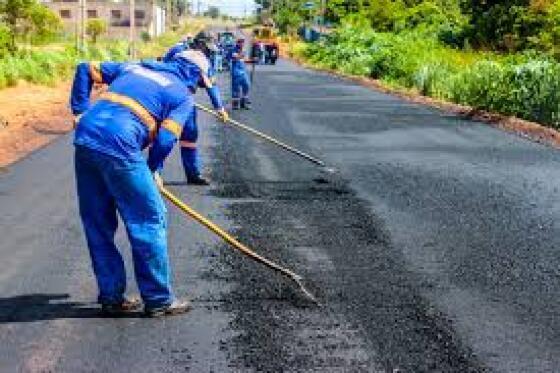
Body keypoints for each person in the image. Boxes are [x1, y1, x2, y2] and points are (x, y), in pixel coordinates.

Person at [70, 52, 214, 317]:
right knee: (149, 219)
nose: (198, 88)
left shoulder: (133, 68)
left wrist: (80, 111)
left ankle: (112, 296)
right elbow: (166, 139)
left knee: (97, 222)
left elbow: (85, 68)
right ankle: (159, 299)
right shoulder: (182, 95)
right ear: (194, 74)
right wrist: (151, 169)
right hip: (121, 144)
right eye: (201, 83)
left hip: (86, 137)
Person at [158, 37, 228, 185]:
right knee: (166, 134)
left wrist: (218, 106)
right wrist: (219, 108)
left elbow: (209, 83)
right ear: (201, 45)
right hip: (173, 97)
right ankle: (154, 171)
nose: (209, 53)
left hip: (180, 96)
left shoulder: (179, 50)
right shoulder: (194, 57)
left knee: (189, 134)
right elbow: (211, 86)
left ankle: (193, 174)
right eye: (208, 50)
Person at [228, 38, 252, 110]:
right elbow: (234, 57)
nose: (242, 44)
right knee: (236, 88)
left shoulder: (242, 51)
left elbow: (243, 60)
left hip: (243, 72)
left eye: (242, 42)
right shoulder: (233, 50)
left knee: (247, 85)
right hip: (236, 72)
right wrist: (241, 55)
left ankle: (243, 102)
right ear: (237, 43)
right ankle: (235, 104)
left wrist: (252, 60)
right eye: (240, 42)